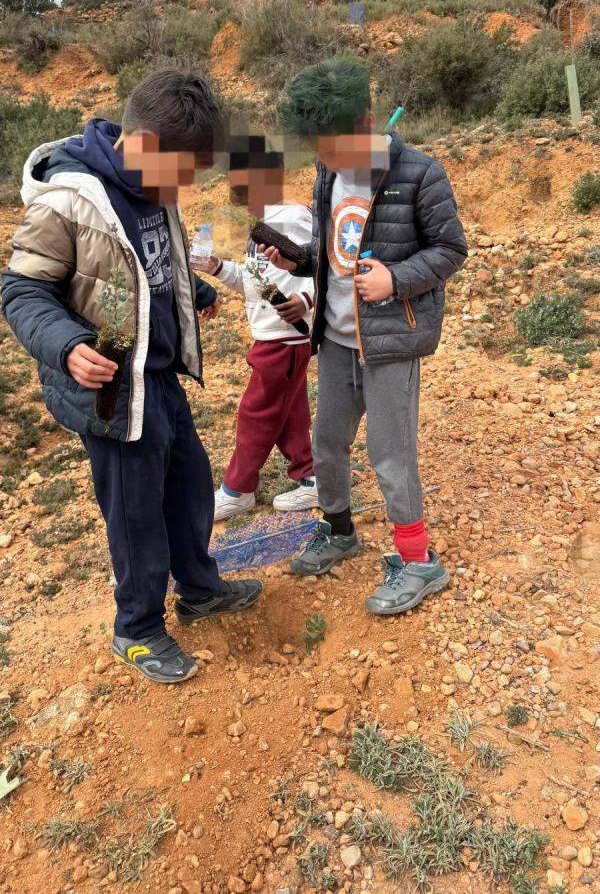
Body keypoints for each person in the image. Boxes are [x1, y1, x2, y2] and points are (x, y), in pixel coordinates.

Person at [1, 69, 262, 683]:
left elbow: (152, 264)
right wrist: (66, 345)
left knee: (190, 487)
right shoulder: (67, 200)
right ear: (143, 144)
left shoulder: (154, 186)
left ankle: (199, 589)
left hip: (160, 379)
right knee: (136, 513)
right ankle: (137, 628)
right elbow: (21, 290)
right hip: (113, 393)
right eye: (182, 171)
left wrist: (193, 291)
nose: (185, 186)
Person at [262, 56, 468, 615]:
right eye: (321, 150)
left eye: (338, 147)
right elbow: (333, 252)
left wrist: (395, 280)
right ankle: (339, 530)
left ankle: (419, 561)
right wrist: (299, 260)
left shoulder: (420, 174)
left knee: (389, 452)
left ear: (369, 123)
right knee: (327, 442)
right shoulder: (329, 174)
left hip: (390, 343)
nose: (330, 160)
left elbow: (451, 249)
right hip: (335, 340)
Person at [205, 200, 318, 520]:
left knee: (256, 414)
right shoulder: (263, 220)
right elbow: (255, 282)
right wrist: (216, 267)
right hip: (274, 336)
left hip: (284, 339)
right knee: (291, 413)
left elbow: (324, 266)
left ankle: (237, 490)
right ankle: (311, 476)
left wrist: (306, 301)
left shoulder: (293, 218)